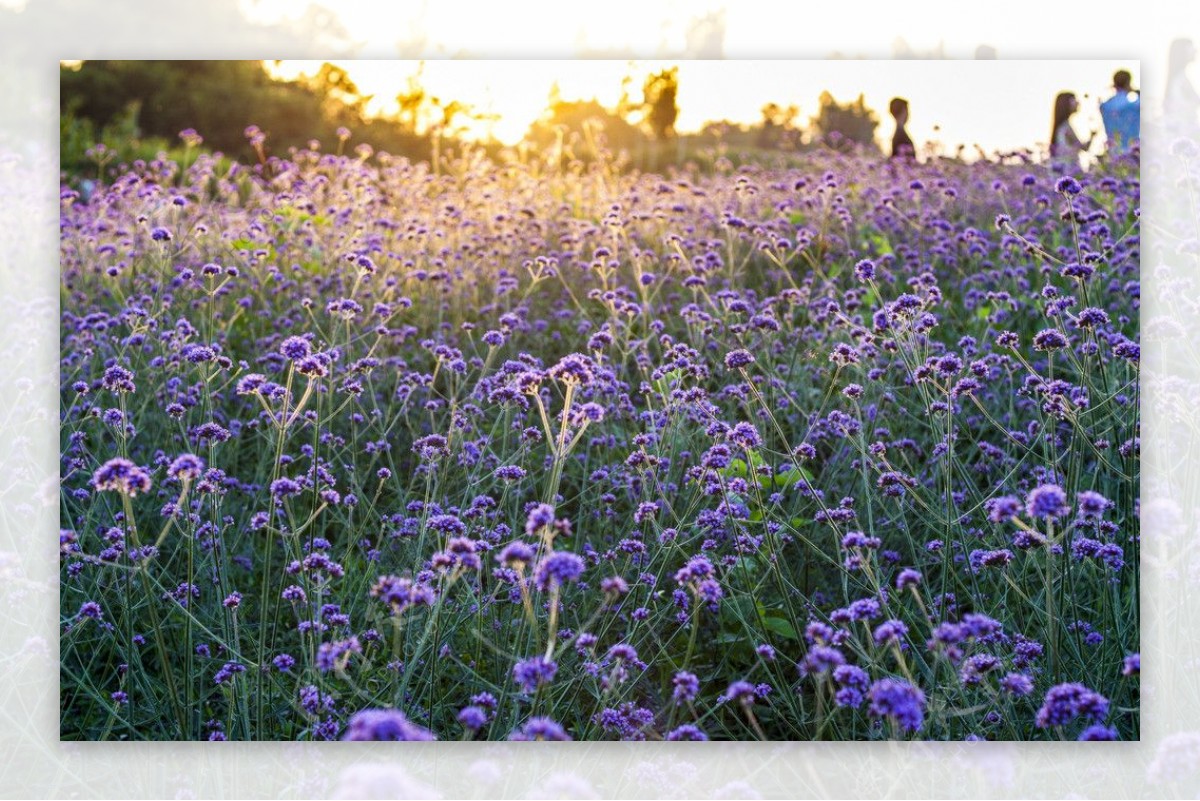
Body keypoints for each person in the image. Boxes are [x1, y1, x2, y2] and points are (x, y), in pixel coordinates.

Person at [1050, 91, 1095, 171]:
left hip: (1062, 167)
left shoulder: (1061, 126)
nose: (1078, 102)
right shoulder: (1066, 127)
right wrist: (1093, 136)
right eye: (1074, 100)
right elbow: (1083, 148)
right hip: (1069, 169)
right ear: (1066, 104)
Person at [1098, 70, 1140, 155]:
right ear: (1128, 82)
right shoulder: (1133, 105)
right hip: (1132, 152)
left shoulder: (1105, 106)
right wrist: (1137, 92)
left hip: (1113, 152)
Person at [1165, 38, 1199, 134]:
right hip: (1184, 131)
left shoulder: (1180, 78)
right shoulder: (1180, 80)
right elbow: (1179, 108)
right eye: (1191, 47)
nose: (1195, 51)